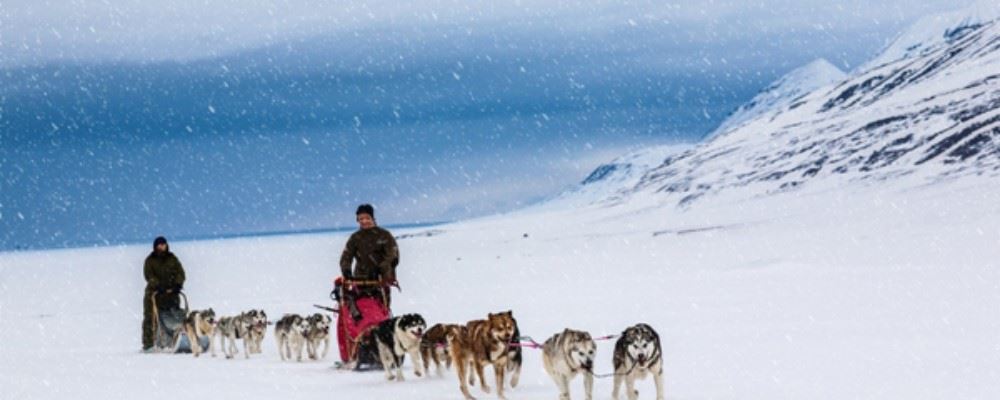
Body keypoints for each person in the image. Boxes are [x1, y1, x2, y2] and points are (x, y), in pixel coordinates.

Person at [338, 204, 399, 319]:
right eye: (361, 219)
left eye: (367, 218)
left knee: (381, 311)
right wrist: (346, 271)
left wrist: (381, 269)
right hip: (360, 281)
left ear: (372, 218)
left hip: (380, 281)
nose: (364, 221)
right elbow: (346, 256)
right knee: (361, 311)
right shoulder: (355, 238)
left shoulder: (384, 235)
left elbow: (393, 256)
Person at [142, 236, 186, 352]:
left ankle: (175, 339)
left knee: (174, 315)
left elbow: (180, 272)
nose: (162, 246)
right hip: (154, 293)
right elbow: (149, 276)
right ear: (155, 246)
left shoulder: (172, 258)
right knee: (151, 318)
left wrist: (177, 284)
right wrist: (158, 285)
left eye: (164, 244)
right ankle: (148, 344)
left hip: (171, 293)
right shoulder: (150, 260)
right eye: (159, 244)